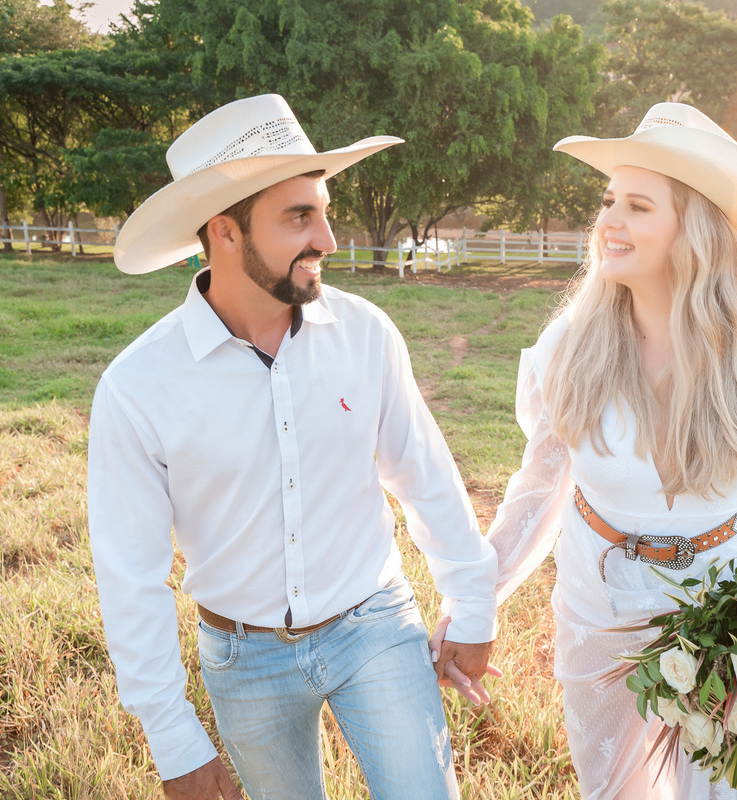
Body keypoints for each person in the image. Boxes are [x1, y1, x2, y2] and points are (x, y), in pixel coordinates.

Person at [87, 93, 498, 800]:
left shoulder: (365, 333)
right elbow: (129, 577)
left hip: (374, 623)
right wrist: (172, 736)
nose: (328, 240)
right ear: (224, 232)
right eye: (299, 217)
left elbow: (423, 473)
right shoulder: (137, 387)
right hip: (243, 658)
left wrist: (475, 602)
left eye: (324, 210)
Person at [434, 103, 737, 799]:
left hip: (728, 600)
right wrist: (479, 597)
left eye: (638, 205)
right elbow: (541, 485)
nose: (608, 222)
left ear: (696, 229)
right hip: (598, 601)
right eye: (609, 201)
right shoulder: (569, 346)